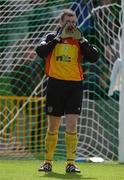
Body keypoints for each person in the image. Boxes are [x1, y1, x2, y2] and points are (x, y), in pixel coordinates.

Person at [36, 9, 99, 173]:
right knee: (53, 127)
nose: (71, 25)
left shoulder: (79, 39)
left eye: (73, 22)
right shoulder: (51, 37)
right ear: (61, 22)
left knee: (71, 124)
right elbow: (40, 51)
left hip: (75, 86)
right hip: (55, 85)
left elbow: (94, 57)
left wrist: (83, 40)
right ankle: (47, 162)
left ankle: (70, 163)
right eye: (68, 21)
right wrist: (57, 38)